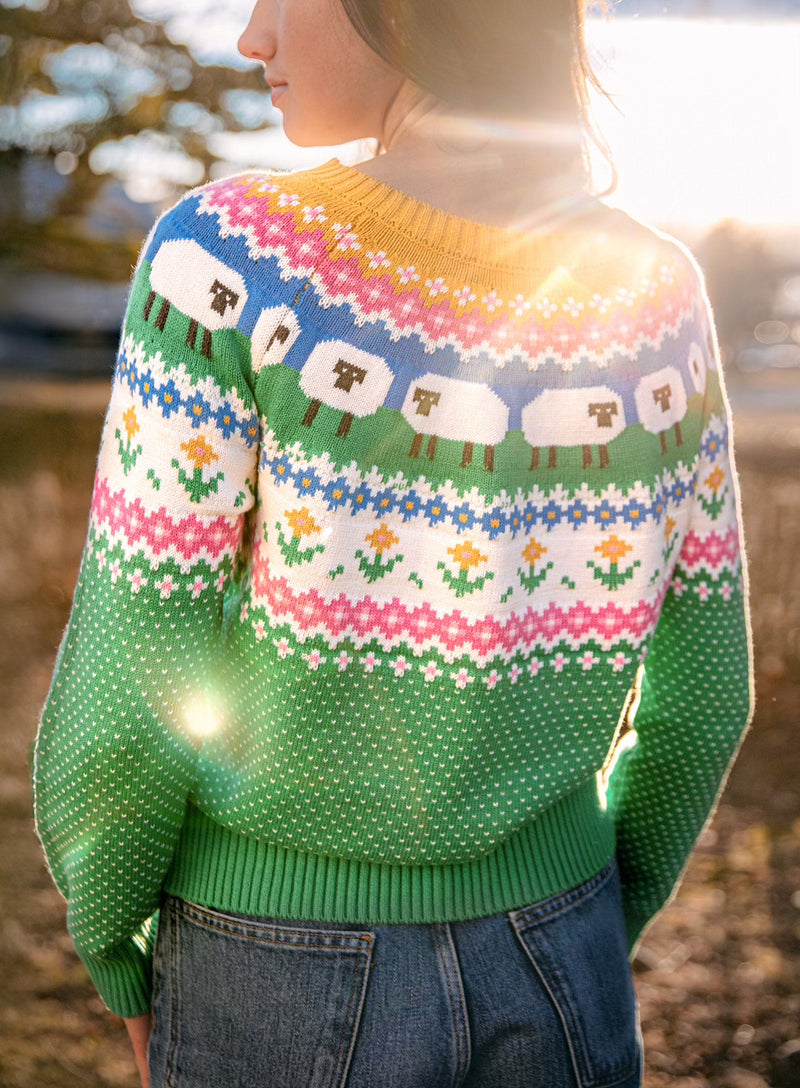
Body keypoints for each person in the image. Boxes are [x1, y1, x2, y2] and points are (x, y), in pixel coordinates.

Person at [33, 0, 754, 1085]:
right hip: (560, 941)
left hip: (266, 957)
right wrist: (594, 908)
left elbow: (136, 663)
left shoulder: (229, 259)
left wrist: (112, 936)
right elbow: (703, 692)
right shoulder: (653, 289)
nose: (251, 38)